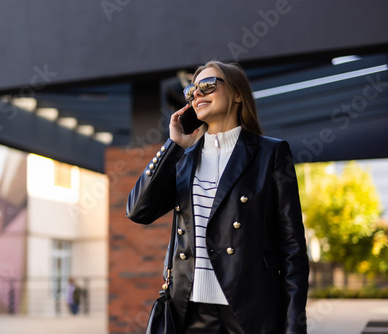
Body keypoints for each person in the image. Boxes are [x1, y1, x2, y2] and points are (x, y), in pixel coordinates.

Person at [126, 61, 309, 334]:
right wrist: (173, 146)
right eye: (191, 91)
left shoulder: (271, 154)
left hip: (251, 310)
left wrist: (294, 325)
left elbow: (292, 249)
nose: (197, 94)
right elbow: (138, 210)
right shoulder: (183, 160)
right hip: (190, 310)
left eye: (208, 86)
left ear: (237, 94)